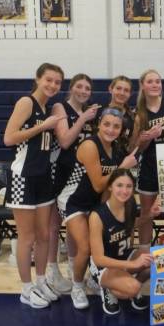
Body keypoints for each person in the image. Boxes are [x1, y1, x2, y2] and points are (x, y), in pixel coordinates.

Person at [58, 108, 139, 309]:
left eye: (116, 126)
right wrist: (122, 166)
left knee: (101, 243)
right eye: (107, 124)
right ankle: (77, 285)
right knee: (85, 247)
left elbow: (109, 187)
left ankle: (97, 278)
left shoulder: (116, 149)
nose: (111, 130)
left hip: (94, 202)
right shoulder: (89, 145)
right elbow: (97, 183)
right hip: (73, 200)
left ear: (121, 130)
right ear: (99, 124)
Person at [3, 63, 66, 309]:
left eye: (57, 82)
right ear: (37, 79)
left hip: (42, 178)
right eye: (48, 80)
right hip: (23, 178)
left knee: (43, 236)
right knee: (27, 238)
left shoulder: (45, 107)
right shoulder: (26, 102)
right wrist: (42, 126)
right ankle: (26, 290)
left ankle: (40, 282)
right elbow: (9, 138)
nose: (52, 85)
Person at [46, 74, 99, 293]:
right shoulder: (60, 107)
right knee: (54, 224)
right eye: (79, 86)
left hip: (81, 173)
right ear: (71, 87)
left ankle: (72, 268)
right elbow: (66, 140)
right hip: (61, 171)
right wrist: (83, 119)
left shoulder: (87, 113)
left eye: (87, 88)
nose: (83, 90)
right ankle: (52, 271)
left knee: (74, 224)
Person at [89, 169, 160, 315]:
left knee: (158, 261)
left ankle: (125, 282)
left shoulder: (130, 205)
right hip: (103, 266)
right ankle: (109, 289)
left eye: (128, 186)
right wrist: (132, 264)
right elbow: (98, 259)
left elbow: (131, 226)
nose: (124, 190)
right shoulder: (97, 215)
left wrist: (150, 215)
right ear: (110, 186)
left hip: (123, 256)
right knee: (132, 288)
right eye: (119, 185)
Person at [132, 69, 164, 249]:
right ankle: (145, 253)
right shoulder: (139, 113)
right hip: (148, 168)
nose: (155, 85)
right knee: (147, 213)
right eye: (150, 81)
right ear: (142, 85)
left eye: (158, 81)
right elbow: (135, 149)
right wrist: (146, 138)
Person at [105, 76, 135, 146]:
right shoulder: (97, 112)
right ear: (110, 89)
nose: (122, 93)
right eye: (118, 88)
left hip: (124, 156)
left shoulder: (134, 117)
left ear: (130, 94)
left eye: (126, 90)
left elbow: (131, 146)